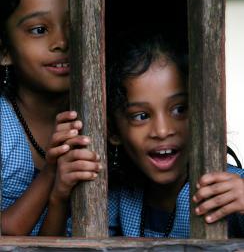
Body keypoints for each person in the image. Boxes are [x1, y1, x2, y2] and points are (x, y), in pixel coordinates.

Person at [50, 27, 244, 238]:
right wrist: (59, 198)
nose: (162, 131)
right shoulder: (114, 196)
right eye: (141, 116)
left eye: (179, 109)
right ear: (113, 130)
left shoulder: (232, 189)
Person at [0, 0, 101, 236]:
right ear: (4, 50)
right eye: (39, 30)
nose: (62, 42)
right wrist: (49, 173)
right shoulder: (3, 124)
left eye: (73, 25)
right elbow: (5, 233)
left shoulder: (102, 121)